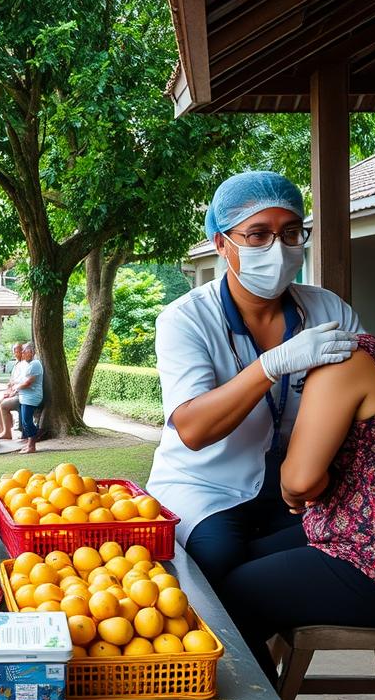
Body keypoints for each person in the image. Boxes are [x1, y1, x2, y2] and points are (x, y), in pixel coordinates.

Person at [146, 171, 362, 587]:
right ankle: (237, 647)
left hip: (300, 487)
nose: (277, 248)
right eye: (258, 234)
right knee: (217, 558)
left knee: (338, 546)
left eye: (291, 232)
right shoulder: (186, 319)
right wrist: (269, 366)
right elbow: (192, 429)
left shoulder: (329, 311)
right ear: (222, 244)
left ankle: (265, 638)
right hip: (206, 484)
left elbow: (364, 396)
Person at [219, 334, 375, 681]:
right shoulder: (368, 351)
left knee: (233, 597)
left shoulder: (344, 360)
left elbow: (299, 482)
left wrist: (311, 484)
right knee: (235, 559)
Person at [0, 343, 27, 439]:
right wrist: (8, 391)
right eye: (14, 352)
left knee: (3, 405)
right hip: (15, 392)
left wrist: (12, 393)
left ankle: (7, 432)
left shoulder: (24, 364)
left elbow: (22, 382)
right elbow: (12, 381)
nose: (15, 354)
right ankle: (1, 430)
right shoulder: (17, 364)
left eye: (17, 351)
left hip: (20, 394)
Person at [14, 343, 43, 453]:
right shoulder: (28, 364)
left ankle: (32, 446)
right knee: (25, 421)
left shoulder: (35, 364)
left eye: (25, 351)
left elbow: (28, 383)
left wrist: (16, 388)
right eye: (22, 351)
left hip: (31, 397)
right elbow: (21, 380)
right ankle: (29, 444)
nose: (22, 353)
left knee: (27, 421)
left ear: (32, 352)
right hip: (24, 397)